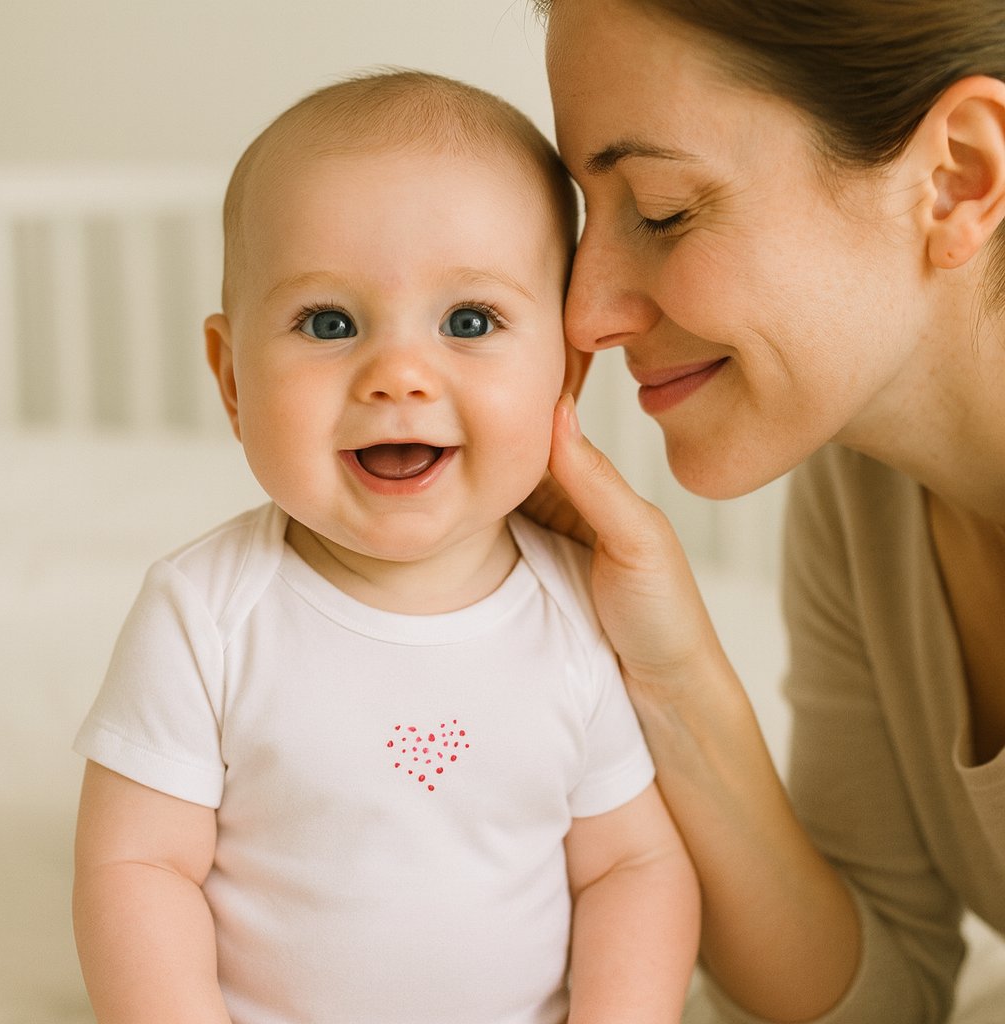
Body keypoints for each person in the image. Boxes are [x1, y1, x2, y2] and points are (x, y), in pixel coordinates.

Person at [70, 69, 700, 1024]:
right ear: (232, 378)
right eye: (330, 323)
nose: (400, 375)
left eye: (469, 321)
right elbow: (138, 865)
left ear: (562, 376)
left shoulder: (576, 610)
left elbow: (631, 865)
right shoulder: (205, 612)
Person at [523, 0, 1005, 1022]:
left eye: (660, 208)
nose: (583, 311)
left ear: (958, 176)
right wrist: (668, 667)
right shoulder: (865, 483)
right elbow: (883, 989)